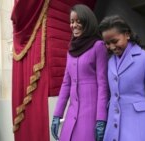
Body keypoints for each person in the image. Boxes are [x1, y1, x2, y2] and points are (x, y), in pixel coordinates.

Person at [99, 15, 145, 141]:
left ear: (127, 34)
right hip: (114, 129)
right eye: (107, 44)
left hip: (139, 129)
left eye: (115, 41)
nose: (112, 47)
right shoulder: (110, 62)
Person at [50, 4, 109, 141]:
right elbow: (66, 84)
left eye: (78, 21)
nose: (73, 25)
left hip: (91, 116)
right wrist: (57, 114)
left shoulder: (98, 46)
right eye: (71, 21)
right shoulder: (70, 49)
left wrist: (101, 118)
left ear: (87, 22)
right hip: (72, 114)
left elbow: (103, 84)